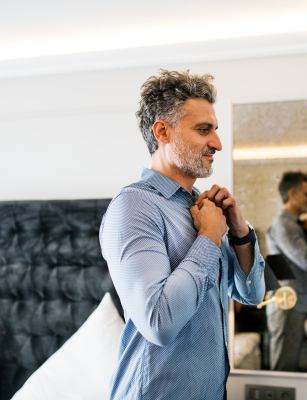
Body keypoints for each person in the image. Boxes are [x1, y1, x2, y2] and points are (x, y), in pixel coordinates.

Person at [99, 70, 266, 400]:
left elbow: (251, 294)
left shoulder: (206, 211)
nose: (217, 143)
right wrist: (208, 237)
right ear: (162, 131)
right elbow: (159, 323)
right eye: (204, 130)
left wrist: (239, 231)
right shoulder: (133, 206)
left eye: (215, 130)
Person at [265, 171, 307, 371]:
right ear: (293, 194)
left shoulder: (293, 225)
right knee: (284, 368)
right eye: (306, 193)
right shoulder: (284, 224)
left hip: (292, 302)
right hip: (287, 303)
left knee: (290, 365)